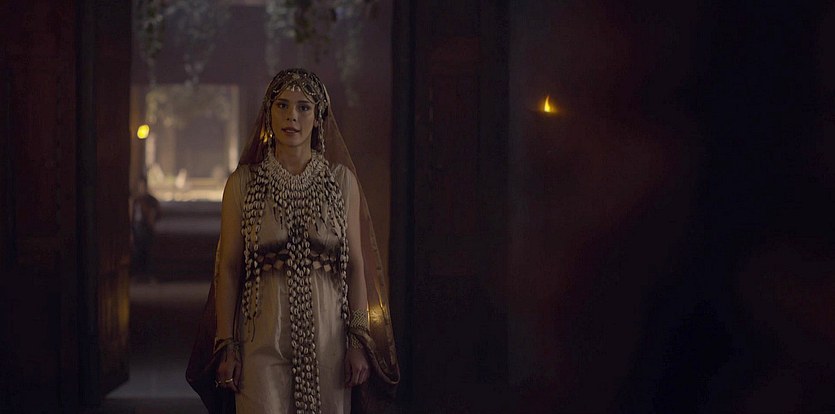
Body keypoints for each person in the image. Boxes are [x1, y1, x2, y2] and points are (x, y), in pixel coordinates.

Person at [212, 68, 398, 413]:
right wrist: (228, 345)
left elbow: (355, 266)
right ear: (268, 113)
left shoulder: (341, 183)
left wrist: (357, 340)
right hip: (260, 339)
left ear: (318, 116)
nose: (292, 117)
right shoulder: (242, 184)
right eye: (282, 105)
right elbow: (229, 268)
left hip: (329, 342)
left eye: (303, 107)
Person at [131, 176, 161, 276]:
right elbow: (133, 216)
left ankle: (148, 275)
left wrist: (151, 218)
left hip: (147, 228)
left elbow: (158, 213)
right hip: (137, 228)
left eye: (143, 186)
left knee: (148, 252)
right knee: (137, 253)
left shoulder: (151, 200)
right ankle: (138, 275)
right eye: (140, 186)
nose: (142, 189)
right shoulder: (136, 200)